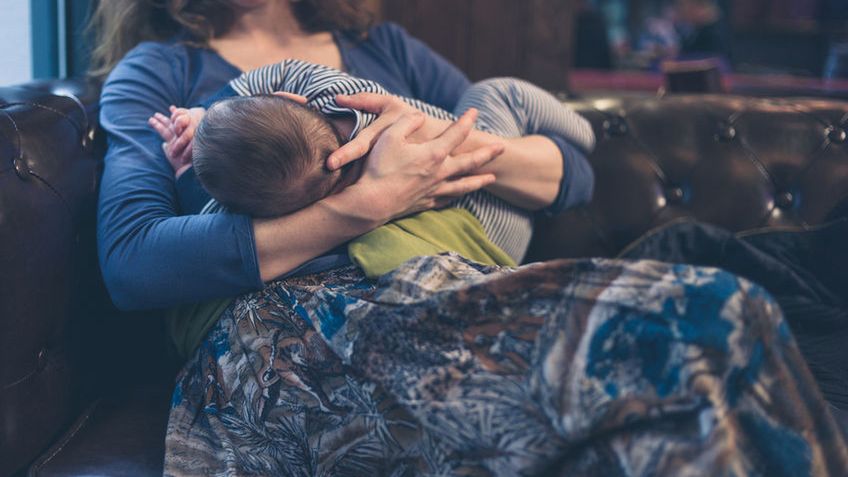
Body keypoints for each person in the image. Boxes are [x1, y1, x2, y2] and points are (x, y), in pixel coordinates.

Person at [91, 1, 848, 475]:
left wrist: (445, 153)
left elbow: (572, 174)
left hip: (442, 287)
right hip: (282, 337)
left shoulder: (386, 52)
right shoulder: (160, 74)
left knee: (726, 325)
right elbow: (132, 261)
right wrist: (374, 198)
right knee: (708, 319)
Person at [148, 59, 596, 267]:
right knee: (500, 93)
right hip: (482, 211)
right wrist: (211, 111)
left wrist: (187, 171)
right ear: (292, 98)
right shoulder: (349, 102)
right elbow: (282, 72)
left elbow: (202, 214)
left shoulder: (279, 205)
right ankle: (592, 128)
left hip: (485, 236)